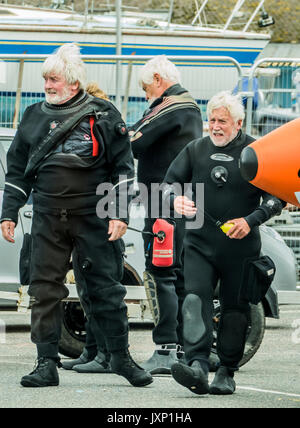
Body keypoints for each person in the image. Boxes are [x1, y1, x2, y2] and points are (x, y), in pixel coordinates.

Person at [0, 43, 153, 388]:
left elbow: (124, 170)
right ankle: (45, 364)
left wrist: (119, 214)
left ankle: (121, 359)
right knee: (43, 290)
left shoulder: (103, 114)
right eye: (46, 80)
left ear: (71, 82)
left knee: (107, 290)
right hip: (47, 217)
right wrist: (8, 213)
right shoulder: (32, 116)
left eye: (53, 79)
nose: (47, 86)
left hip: (93, 216)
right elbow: (17, 172)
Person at [163, 91, 285, 395]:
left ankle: (227, 371)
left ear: (239, 122)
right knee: (194, 300)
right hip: (199, 242)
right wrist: (175, 200)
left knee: (235, 308)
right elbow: (166, 185)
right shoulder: (196, 150)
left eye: (222, 121)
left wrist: (251, 220)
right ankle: (198, 367)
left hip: (240, 247)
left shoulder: (257, 150)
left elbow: (277, 196)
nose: (215, 126)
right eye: (212, 119)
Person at [129, 55, 203, 374]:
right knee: (182, 274)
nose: (147, 96)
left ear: (158, 80)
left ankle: (165, 349)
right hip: (183, 200)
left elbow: (134, 139)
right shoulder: (190, 106)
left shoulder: (171, 106)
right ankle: (189, 348)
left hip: (163, 201)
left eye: (146, 89)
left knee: (161, 271)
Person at [61, 82, 112, 374]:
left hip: (101, 220)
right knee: (85, 289)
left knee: (101, 290)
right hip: (84, 219)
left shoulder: (106, 137)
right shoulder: (85, 137)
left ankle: (105, 354)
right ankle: (92, 351)